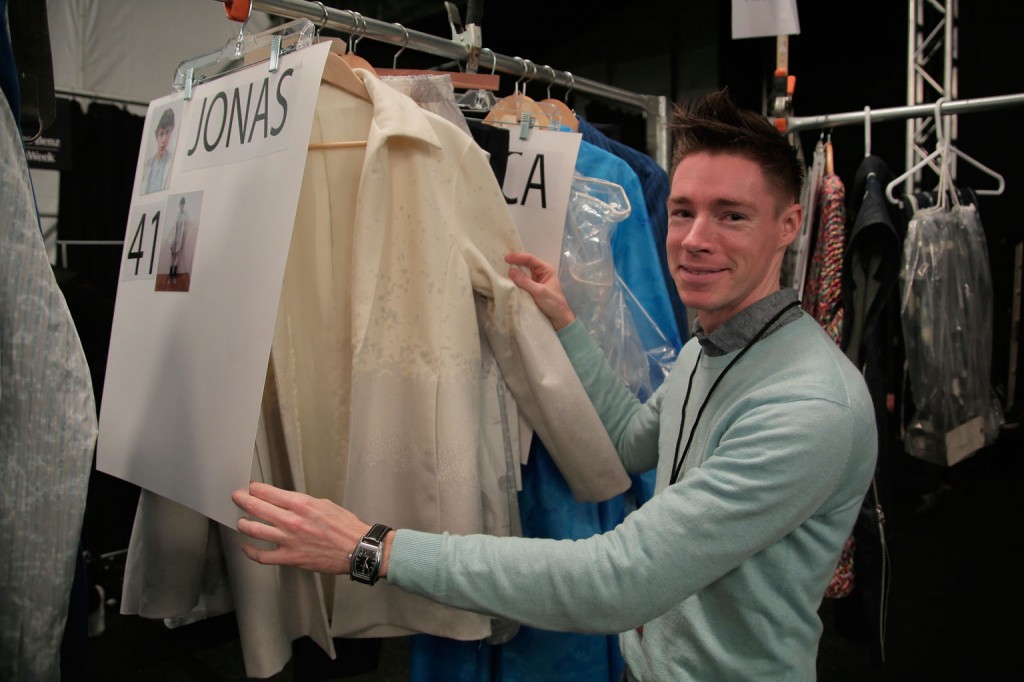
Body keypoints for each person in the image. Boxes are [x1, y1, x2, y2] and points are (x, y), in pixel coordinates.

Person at [231, 89, 877, 680]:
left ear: (789, 227)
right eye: (682, 212)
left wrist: (371, 547)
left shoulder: (808, 406)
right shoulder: (710, 350)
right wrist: (565, 322)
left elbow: (621, 579)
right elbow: (630, 440)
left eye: (731, 216)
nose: (693, 240)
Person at [140, 107, 175, 194]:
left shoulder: (173, 163)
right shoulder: (147, 165)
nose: (164, 139)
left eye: (167, 133)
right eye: (161, 134)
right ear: (157, 135)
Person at [168, 196, 188, 280]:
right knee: (172, 258)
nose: (182, 205)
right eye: (181, 204)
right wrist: (172, 242)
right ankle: (170, 276)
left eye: (183, 204)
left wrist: (182, 243)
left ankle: (174, 276)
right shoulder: (176, 214)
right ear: (179, 204)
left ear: (184, 204)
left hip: (179, 239)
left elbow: (183, 230)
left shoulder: (184, 216)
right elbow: (173, 228)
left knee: (177, 259)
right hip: (174, 239)